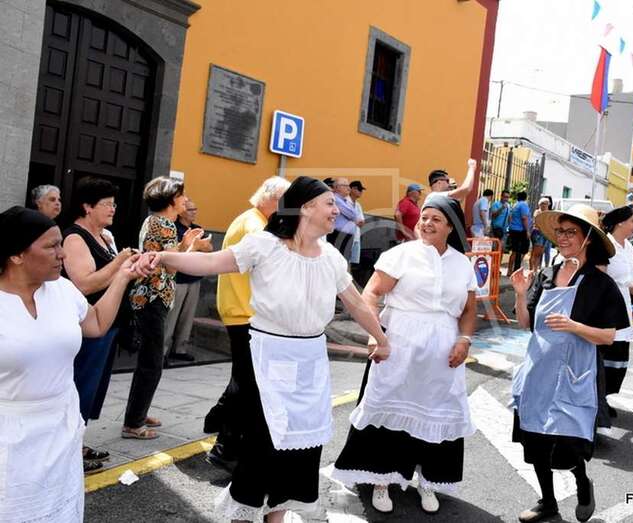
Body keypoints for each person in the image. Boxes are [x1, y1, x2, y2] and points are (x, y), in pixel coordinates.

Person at [136, 176, 391, 522]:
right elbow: (212, 263)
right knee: (263, 442)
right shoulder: (265, 245)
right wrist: (163, 256)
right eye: (330, 202)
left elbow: (357, 303)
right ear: (305, 208)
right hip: (269, 355)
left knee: (300, 448)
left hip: (310, 360)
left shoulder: (331, 256)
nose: (337, 209)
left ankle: (277, 516)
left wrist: (381, 338)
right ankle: (244, 513)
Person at [331, 194, 477, 514]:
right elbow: (371, 293)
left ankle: (427, 478)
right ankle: (381, 478)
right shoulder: (401, 255)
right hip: (399, 345)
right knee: (389, 407)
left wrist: (464, 340)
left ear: (450, 227)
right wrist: (375, 334)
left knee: (435, 412)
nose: (426, 223)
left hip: (442, 353)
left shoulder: (462, 264)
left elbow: (468, 310)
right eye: (424, 217)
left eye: (436, 219)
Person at [0, 206, 147, 523]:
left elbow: (96, 323)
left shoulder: (63, 290)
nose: (62, 254)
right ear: (16, 255)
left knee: (58, 510)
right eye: (51, 246)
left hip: (60, 427)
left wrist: (122, 277)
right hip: (9, 434)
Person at [509, 204, 628, 523]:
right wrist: (520, 294)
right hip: (538, 369)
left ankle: (582, 482)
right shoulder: (546, 275)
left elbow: (608, 337)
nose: (562, 237)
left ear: (588, 237)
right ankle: (547, 502)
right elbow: (526, 324)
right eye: (559, 231)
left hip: (576, 372)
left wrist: (574, 326)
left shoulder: (600, 284)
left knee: (568, 445)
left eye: (570, 232)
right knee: (535, 440)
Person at [205, 177, 290, 471]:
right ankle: (224, 448)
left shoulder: (254, 219)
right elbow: (271, 257)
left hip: (245, 311)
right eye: (282, 202)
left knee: (244, 377)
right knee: (246, 382)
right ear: (267, 197)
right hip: (244, 312)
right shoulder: (254, 224)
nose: (285, 209)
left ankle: (218, 421)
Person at [61, 177, 135, 473]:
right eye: (106, 204)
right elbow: (85, 284)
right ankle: (69, 448)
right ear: (87, 206)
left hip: (108, 323)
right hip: (88, 324)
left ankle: (77, 442)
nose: (113, 209)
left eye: (114, 204)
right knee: (81, 384)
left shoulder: (105, 236)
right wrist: (121, 262)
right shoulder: (75, 238)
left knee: (93, 388)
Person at [123, 177, 203, 439]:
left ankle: (138, 412)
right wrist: (191, 246)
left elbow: (165, 255)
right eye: (181, 196)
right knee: (152, 363)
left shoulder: (152, 220)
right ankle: (133, 424)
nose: (185, 200)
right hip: (154, 298)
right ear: (171, 200)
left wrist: (184, 245)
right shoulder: (166, 224)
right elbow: (172, 265)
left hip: (147, 296)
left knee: (148, 361)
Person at [599, 205, 633, 428]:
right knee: (604, 356)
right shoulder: (606, 245)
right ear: (620, 222)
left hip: (622, 306)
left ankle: (603, 397)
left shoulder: (628, 246)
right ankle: (596, 400)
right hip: (606, 307)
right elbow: (600, 279)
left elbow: (628, 282)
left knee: (618, 358)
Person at [164, 199, 213, 363]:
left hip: (194, 278)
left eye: (195, 209)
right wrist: (195, 246)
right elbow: (178, 250)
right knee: (171, 317)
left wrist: (199, 246)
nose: (194, 212)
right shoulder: (173, 227)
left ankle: (180, 349)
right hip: (177, 279)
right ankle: (162, 351)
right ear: (182, 212)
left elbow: (209, 248)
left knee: (187, 317)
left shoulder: (197, 229)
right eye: (191, 209)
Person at [327, 177, 358, 260]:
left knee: (343, 261)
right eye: (345, 185)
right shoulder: (335, 199)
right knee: (338, 261)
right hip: (337, 235)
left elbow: (355, 215)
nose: (349, 188)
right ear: (337, 187)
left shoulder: (345, 200)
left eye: (348, 186)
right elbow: (353, 215)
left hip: (345, 236)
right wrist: (354, 216)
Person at [506, 191, 531, 276]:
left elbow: (510, 217)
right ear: (526, 197)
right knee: (522, 251)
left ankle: (510, 270)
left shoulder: (515, 205)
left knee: (514, 251)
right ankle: (516, 271)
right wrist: (527, 230)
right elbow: (524, 218)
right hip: (520, 230)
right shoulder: (523, 205)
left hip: (513, 229)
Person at [529, 197, 552, 274]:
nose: (545, 205)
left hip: (545, 234)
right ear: (540, 204)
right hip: (538, 233)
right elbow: (537, 222)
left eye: (546, 203)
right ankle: (532, 270)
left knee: (539, 254)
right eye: (543, 203)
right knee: (535, 253)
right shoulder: (538, 212)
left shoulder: (548, 213)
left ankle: (535, 270)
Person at [348, 180, 366, 269]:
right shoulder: (345, 202)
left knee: (352, 263)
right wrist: (356, 221)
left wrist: (355, 221)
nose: (361, 192)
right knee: (343, 260)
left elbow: (362, 222)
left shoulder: (358, 205)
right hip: (346, 236)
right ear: (352, 189)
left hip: (356, 237)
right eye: (359, 189)